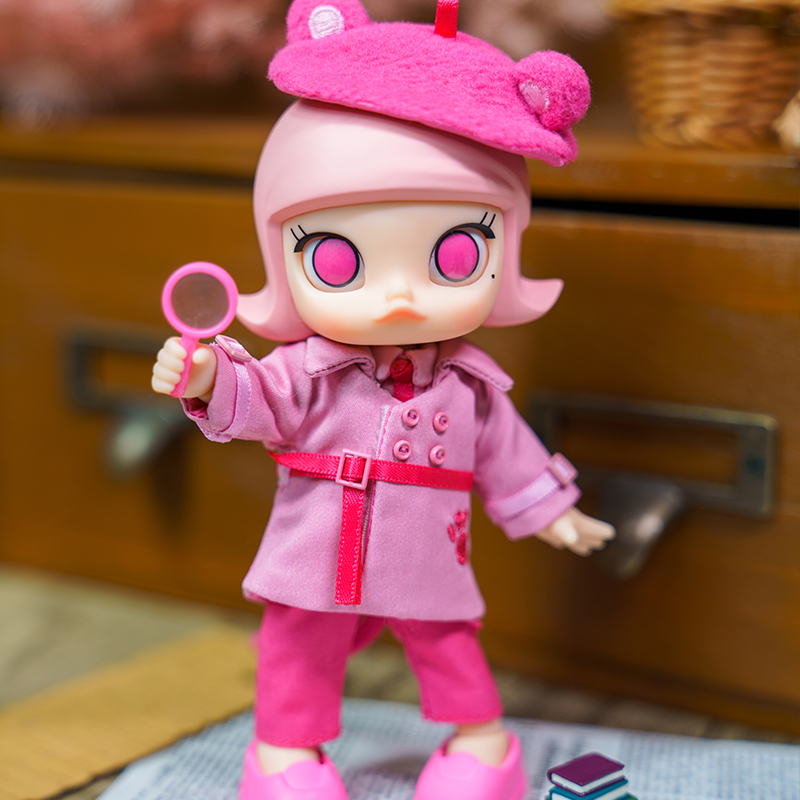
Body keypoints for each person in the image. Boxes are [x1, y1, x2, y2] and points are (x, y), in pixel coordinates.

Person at [152, 2, 614, 799]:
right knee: (297, 646)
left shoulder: (468, 386)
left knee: (449, 644)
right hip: (315, 550)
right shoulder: (310, 370)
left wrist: (552, 510)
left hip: (429, 551)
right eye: (338, 260)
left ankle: (480, 745)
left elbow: (507, 450)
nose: (400, 297)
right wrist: (207, 377)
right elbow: (260, 393)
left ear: (504, 251)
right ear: (282, 256)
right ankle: (286, 755)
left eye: (455, 254)